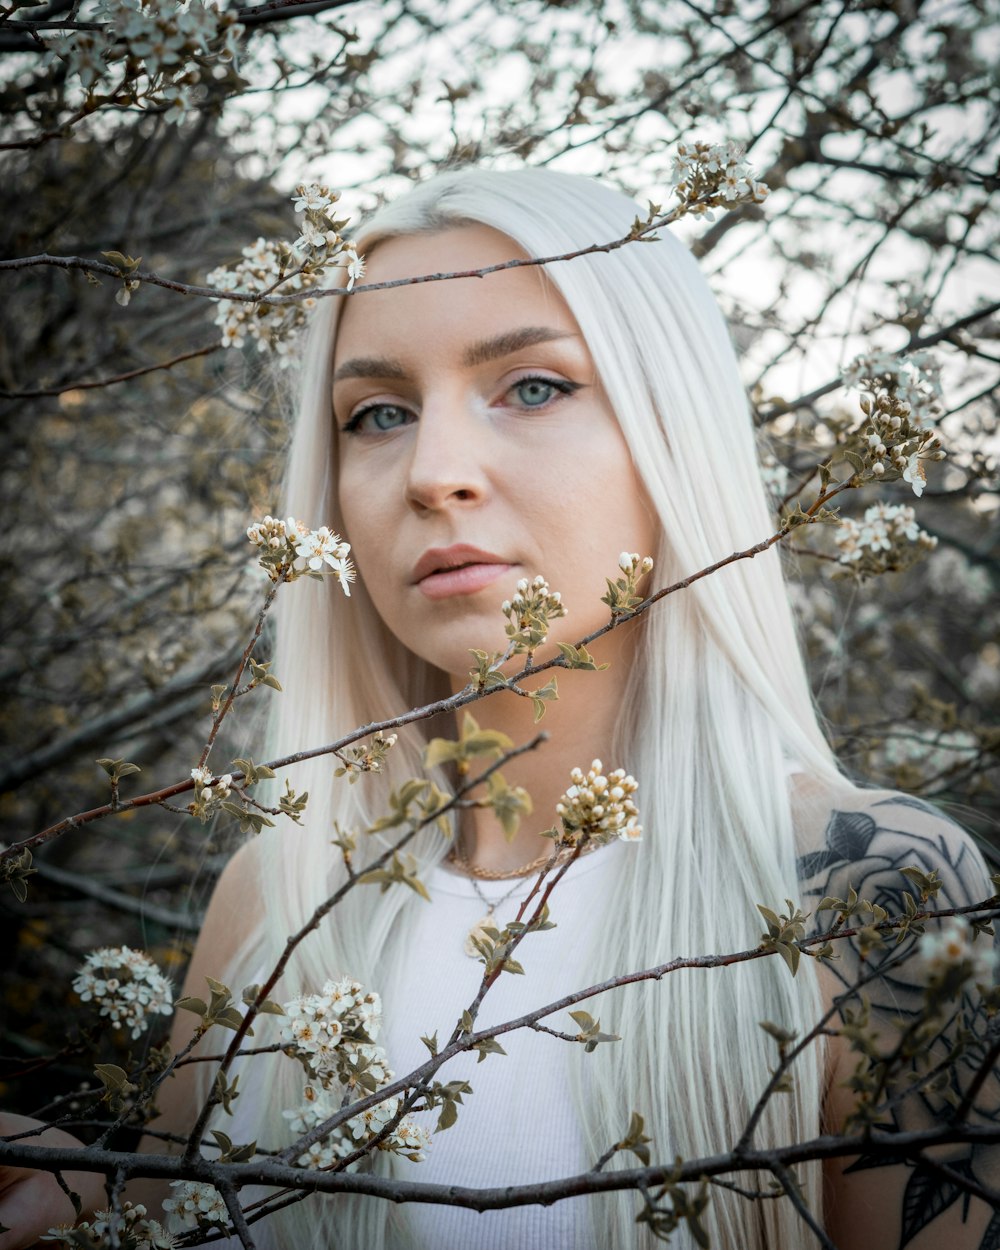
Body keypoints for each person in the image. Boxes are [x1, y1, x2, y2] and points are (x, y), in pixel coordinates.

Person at [1, 167, 996, 1250]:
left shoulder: (872, 886)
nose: (434, 472)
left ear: (673, 434)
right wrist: (75, 1211)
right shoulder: (277, 895)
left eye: (532, 386)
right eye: (377, 413)